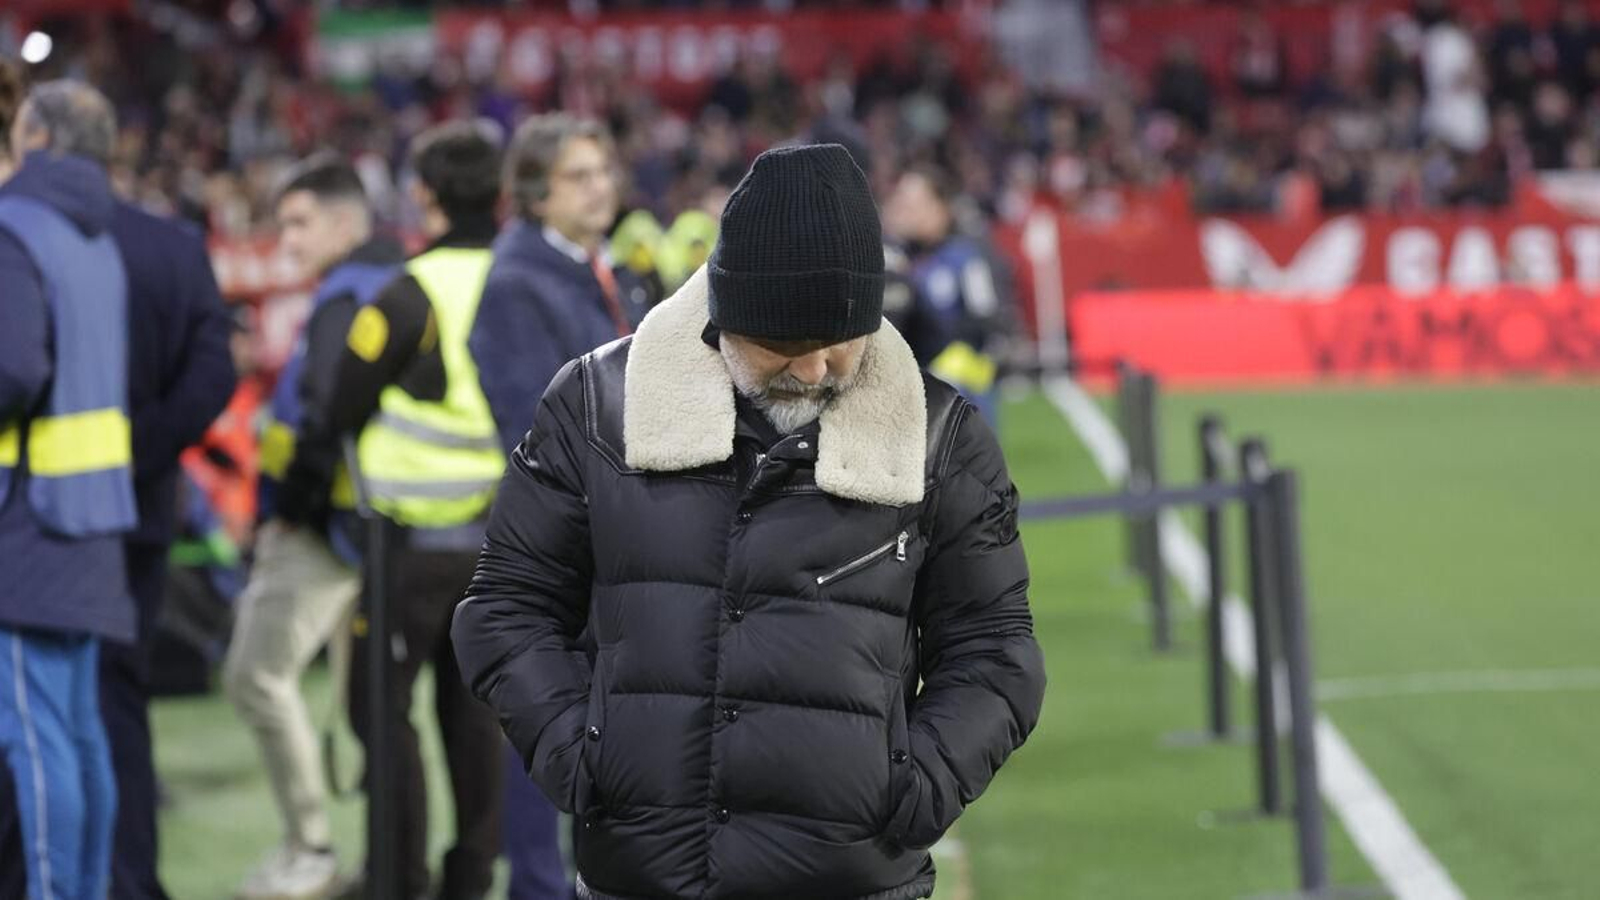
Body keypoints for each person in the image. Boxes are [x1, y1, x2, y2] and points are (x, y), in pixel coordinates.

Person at [453, 144, 1046, 900]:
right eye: (785, 347)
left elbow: (996, 651)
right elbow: (506, 607)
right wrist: (586, 758)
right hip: (643, 877)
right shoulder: (598, 408)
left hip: (854, 880)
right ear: (722, 317)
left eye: (840, 341)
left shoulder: (939, 435)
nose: (814, 368)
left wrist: (910, 789)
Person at [301, 122, 506, 900]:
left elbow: (339, 405)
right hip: (500, 545)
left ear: (424, 196)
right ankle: (471, 879)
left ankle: (400, 879)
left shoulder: (409, 291)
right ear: (499, 194)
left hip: (411, 548)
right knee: (475, 719)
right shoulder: (521, 281)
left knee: (380, 716)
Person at [471, 114, 653, 898]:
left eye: (604, 171)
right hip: (564, 546)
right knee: (549, 732)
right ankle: (539, 888)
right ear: (535, 193)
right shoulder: (517, 282)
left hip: (618, 536)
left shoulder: (600, 268)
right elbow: (532, 427)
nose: (600, 187)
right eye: (579, 176)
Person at [223, 153, 403, 900]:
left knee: (256, 677)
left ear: (341, 222)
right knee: (373, 712)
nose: (285, 238)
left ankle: (312, 848)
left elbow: (325, 417)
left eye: (298, 222)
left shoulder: (346, 297)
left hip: (326, 528)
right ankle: (380, 863)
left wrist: (288, 512)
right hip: (381, 526)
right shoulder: (385, 286)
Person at [97, 81, 238, 900]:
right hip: (143, 510)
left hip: (31, 522)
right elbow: (212, 372)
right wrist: (145, 450)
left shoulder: (21, 238)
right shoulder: (172, 246)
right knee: (118, 702)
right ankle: (133, 880)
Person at [0, 79, 137, 900]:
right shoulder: (95, 237)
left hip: (27, 521)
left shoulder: (13, 228)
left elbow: (13, 368)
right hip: (91, 513)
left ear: (39, 136)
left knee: (35, 739)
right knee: (80, 735)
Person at [884, 164, 1014, 424]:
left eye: (912, 204)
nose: (902, 212)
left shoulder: (965, 260)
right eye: (899, 203)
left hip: (958, 400)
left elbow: (989, 325)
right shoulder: (889, 261)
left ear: (940, 208)